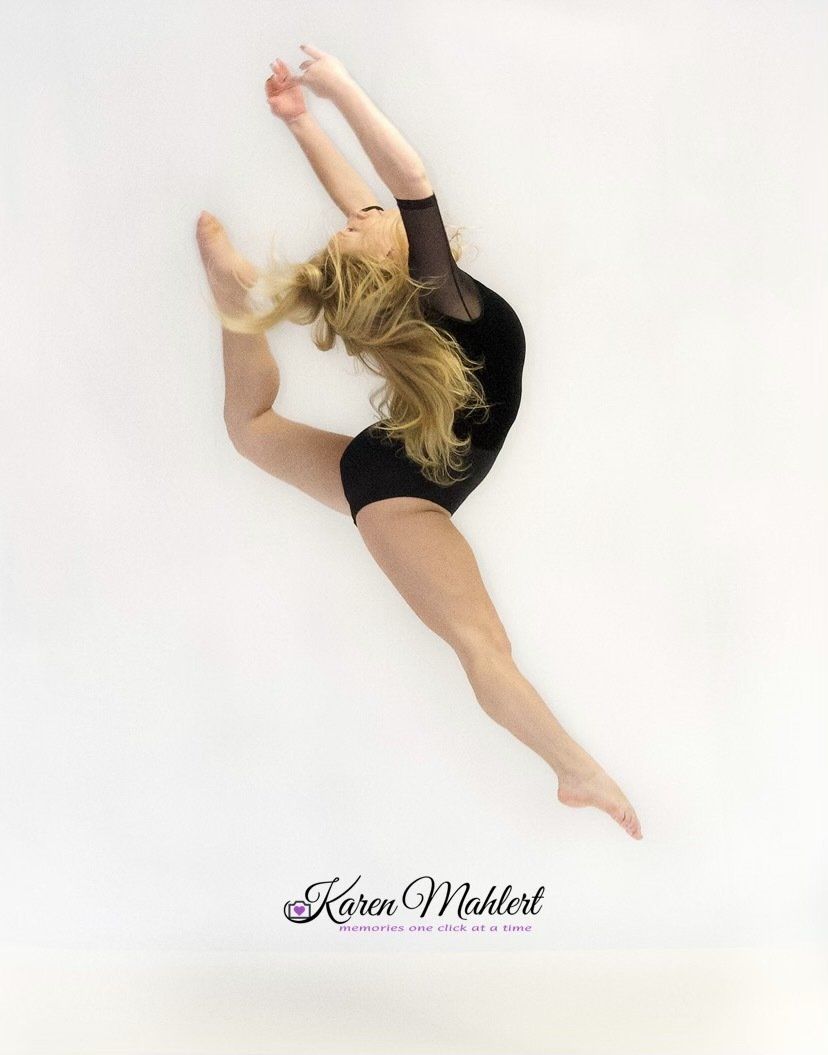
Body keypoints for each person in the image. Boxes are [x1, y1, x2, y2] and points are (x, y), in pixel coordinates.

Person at [195, 44, 643, 840]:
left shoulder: (413, 293)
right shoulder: (439, 291)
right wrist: (337, 88)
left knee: (250, 428)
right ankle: (576, 769)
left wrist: (301, 124)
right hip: (405, 492)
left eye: (358, 220)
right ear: (395, 260)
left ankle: (235, 302)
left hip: (402, 467)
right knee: (484, 645)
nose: (360, 215)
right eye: (361, 229)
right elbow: (407, 178)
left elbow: (366, 197)